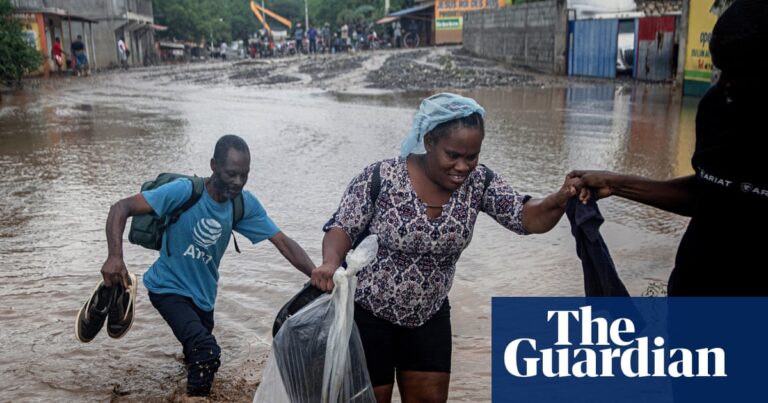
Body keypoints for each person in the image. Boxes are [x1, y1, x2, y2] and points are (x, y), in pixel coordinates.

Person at [311, 93, 581, 402]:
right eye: (452, 155)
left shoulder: (479, 184)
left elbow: (525, 218)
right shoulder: (380, 178)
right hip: (369, 315)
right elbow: (342, 226)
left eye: (472, 156)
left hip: (429, 316)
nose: (462, 167)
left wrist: (559, 199)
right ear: (428, 143)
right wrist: (330, 262)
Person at [569, 0, 768, 296]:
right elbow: (710, 192)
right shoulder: (716, 109)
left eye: (737, 73)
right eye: (720, 69)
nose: (724, 85)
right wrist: (615, 183)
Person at [99, 134, 317, 396]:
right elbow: (121, 207)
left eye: (244, 175)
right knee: (207, 353)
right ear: (214, 165)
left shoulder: (242, 204)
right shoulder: (184, 191)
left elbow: (283, 242)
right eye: (231, 173)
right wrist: (115, 256)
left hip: (204, 298)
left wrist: (317, 274)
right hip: (168, 288)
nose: (237, 182)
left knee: (193, 360)